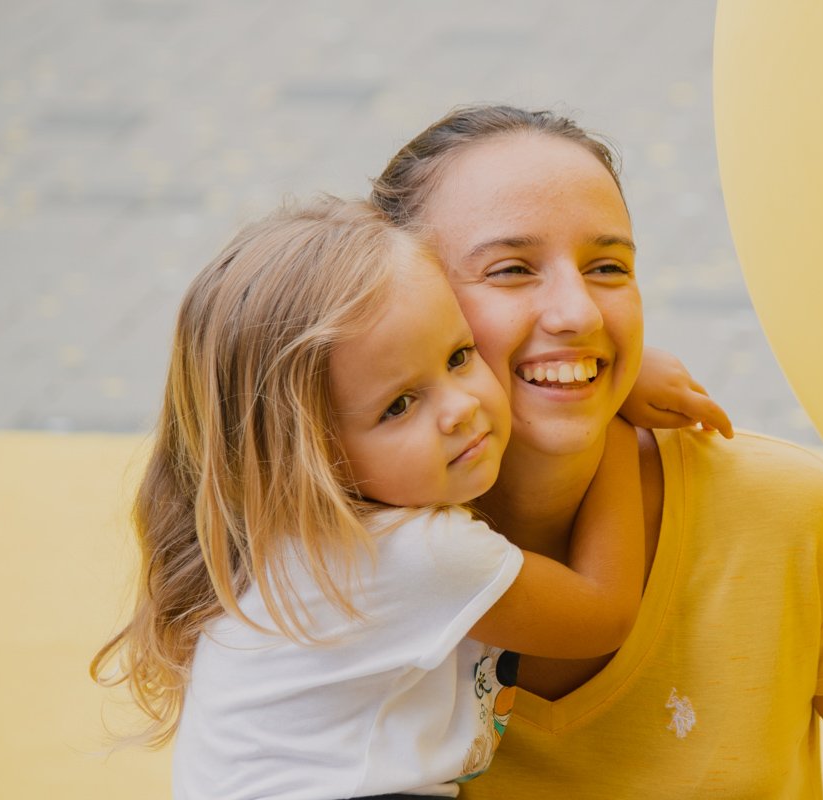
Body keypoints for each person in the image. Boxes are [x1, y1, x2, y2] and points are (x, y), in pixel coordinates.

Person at [371, 105, 823, 798]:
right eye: (513, 270)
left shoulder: (783, 513)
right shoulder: (326, 555)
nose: (578, 313)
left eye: (608, 267)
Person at [90, 197, 725, 799]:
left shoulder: (287, 539)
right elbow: (602, 613)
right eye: (398, 405)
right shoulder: (409, 553)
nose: (459, 409)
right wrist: (609, 410)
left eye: (458, 355)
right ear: (309, 452)